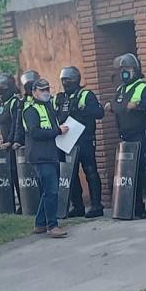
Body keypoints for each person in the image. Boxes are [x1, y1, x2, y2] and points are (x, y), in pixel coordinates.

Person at [106, 53, 146, 218]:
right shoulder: (120, 90)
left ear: (135, 70)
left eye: (126, 69)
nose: (123, 72)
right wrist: (111, 107)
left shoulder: (143, 87)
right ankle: (137, 205)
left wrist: (139, 104)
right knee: (133, 172)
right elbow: (119, 107)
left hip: (142, 135)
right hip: (127, 137)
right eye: (121, 69)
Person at [54, 65, 105, 218]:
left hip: (85, 139)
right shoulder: (60, 98)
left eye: (68, 79)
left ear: (76, 79)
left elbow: (99, 113)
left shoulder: (86, 95)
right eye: (63, 80)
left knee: (90, 171)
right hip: (67, 140)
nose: (65, 83)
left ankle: (97, 205)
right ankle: (78, 206)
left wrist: (82, 109)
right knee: (71, 173)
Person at [22, 78, 69, 238]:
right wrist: (57, 131)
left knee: (48, 191)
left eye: (47, 89)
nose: (46, 92)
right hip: (40, 155)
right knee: (52, 191)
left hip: (51, 154)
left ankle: (40, 223)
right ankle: (52, 225)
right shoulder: (30, 110)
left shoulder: (48, 107)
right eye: (42, 90)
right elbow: (35, 133)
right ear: (34, 92)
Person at [0, 73, 23, 212]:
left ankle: (23, 203)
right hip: (5, 146)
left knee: (17, 174)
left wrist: (11, 140)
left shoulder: (16, 102)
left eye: (1, 86)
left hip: (15, 145)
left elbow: (16, 123)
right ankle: (11, 205)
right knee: (9, 174)